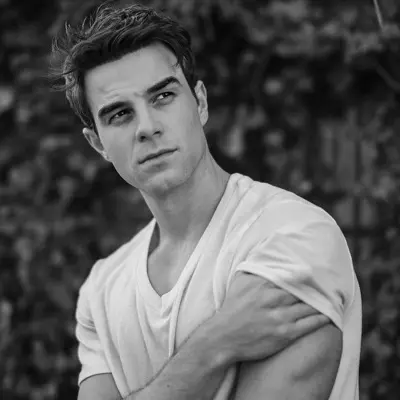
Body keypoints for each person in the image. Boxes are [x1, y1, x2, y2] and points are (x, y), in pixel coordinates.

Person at [52, 3, 362, 400]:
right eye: (119, 115)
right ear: (98, 144)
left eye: (163, 96)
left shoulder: (291, 236)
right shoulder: (102, 289)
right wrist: (213, 345)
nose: (147, 127)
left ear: (200, 102)